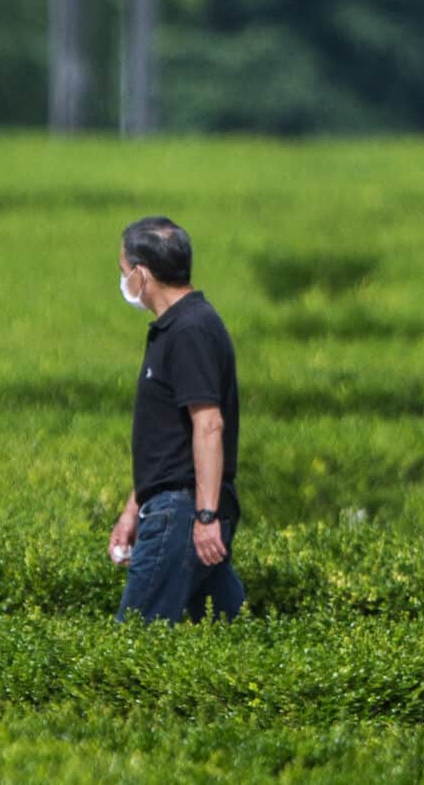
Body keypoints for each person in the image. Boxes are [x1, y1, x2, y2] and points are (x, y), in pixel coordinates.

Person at [108, 215, 245, 623]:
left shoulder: (191, 330)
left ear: (141, 274)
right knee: (223, 627)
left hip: (182, 513)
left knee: (134, 638)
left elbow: (208, 425)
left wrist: (205, 517)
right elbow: (170, 438)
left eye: (122, 270)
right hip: (172, 506)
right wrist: (134, 509)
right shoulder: (174, 328)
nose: (122, 281)